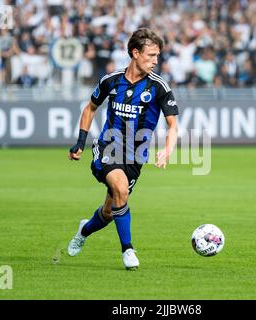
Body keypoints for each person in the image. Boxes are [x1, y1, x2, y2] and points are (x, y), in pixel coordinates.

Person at [66, 28, 179, 270]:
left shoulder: (159, 86)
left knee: (109, 212)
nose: (155, 61)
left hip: (135, 158)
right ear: (135, 53)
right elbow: (90, 108)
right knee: (120, 189)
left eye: (157, 56)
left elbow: (173, 126)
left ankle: (83, 231)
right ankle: (128, 250)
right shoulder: (111, 80)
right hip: (108, 147)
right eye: (151, 55)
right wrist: (80, 142)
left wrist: (167, 150)